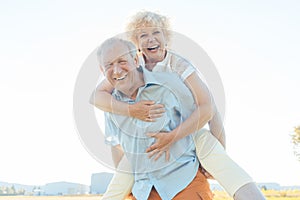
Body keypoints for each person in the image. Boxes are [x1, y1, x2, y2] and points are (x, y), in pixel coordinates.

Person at [92, 11, 265, 200]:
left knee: (224, 165)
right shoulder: (132, 65)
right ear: (136, 44)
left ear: (166, 38)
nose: (151, 39)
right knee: (126, 170)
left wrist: (182, 139)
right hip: (149, 138)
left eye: (156, 33)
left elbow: (209, 108)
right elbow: (98, 96)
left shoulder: (178, 64)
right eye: (143, 35)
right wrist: (132, 110)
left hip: (189, 128)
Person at [98, 37, 213, 200]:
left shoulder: (169, 85)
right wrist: (129, 188)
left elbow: (203, 113)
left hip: (184, 184)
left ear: (136, 60)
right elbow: (117, 147)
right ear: (102, 71)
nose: (116, 70)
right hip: (144, 191)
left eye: (122, 61)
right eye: (109, 65)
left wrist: (206, 158)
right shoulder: (110, 105)